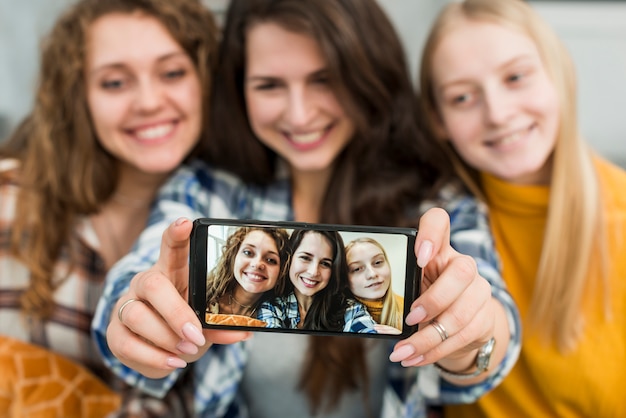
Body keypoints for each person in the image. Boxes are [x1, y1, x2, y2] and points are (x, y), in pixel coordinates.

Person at [93, 0, 521, 417]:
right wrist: (132, 312)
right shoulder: (209, 187)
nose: (299, 114)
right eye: (269, 85)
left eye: (324, 79)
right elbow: (142, 269)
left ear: (366, 74)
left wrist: (475, 336)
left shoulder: (437, 199)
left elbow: (493, 328)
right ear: (239, 88)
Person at [0, 0, 219, 414]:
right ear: (78, 96)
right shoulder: (7, 201)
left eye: (172, 73)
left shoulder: (244, 213)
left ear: (207, 80)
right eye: (115, 83)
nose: (150, 102)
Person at [418, 0, 626, 416]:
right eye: (462, 97)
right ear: (438, 119)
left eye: (515, 77)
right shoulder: (435, 224)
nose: (498, 113)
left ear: (560, 72)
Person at [258, 229, 379, 333]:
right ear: (290, 257)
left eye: (325, 263)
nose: (313, 272)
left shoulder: (351, 310)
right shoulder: (272, 307)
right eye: (305, 258)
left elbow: (368, 333)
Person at [205, 226, 289, 319]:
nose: (257, 264)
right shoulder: (202, 295)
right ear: (234, 256)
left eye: (270, 260)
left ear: (282, 270)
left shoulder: (278, 318)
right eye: (248, 252)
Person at [345, 237, 405, 331]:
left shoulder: (410, 309)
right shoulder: (338, 317)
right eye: (357, 269)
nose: (372, 274)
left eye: (378, 262)